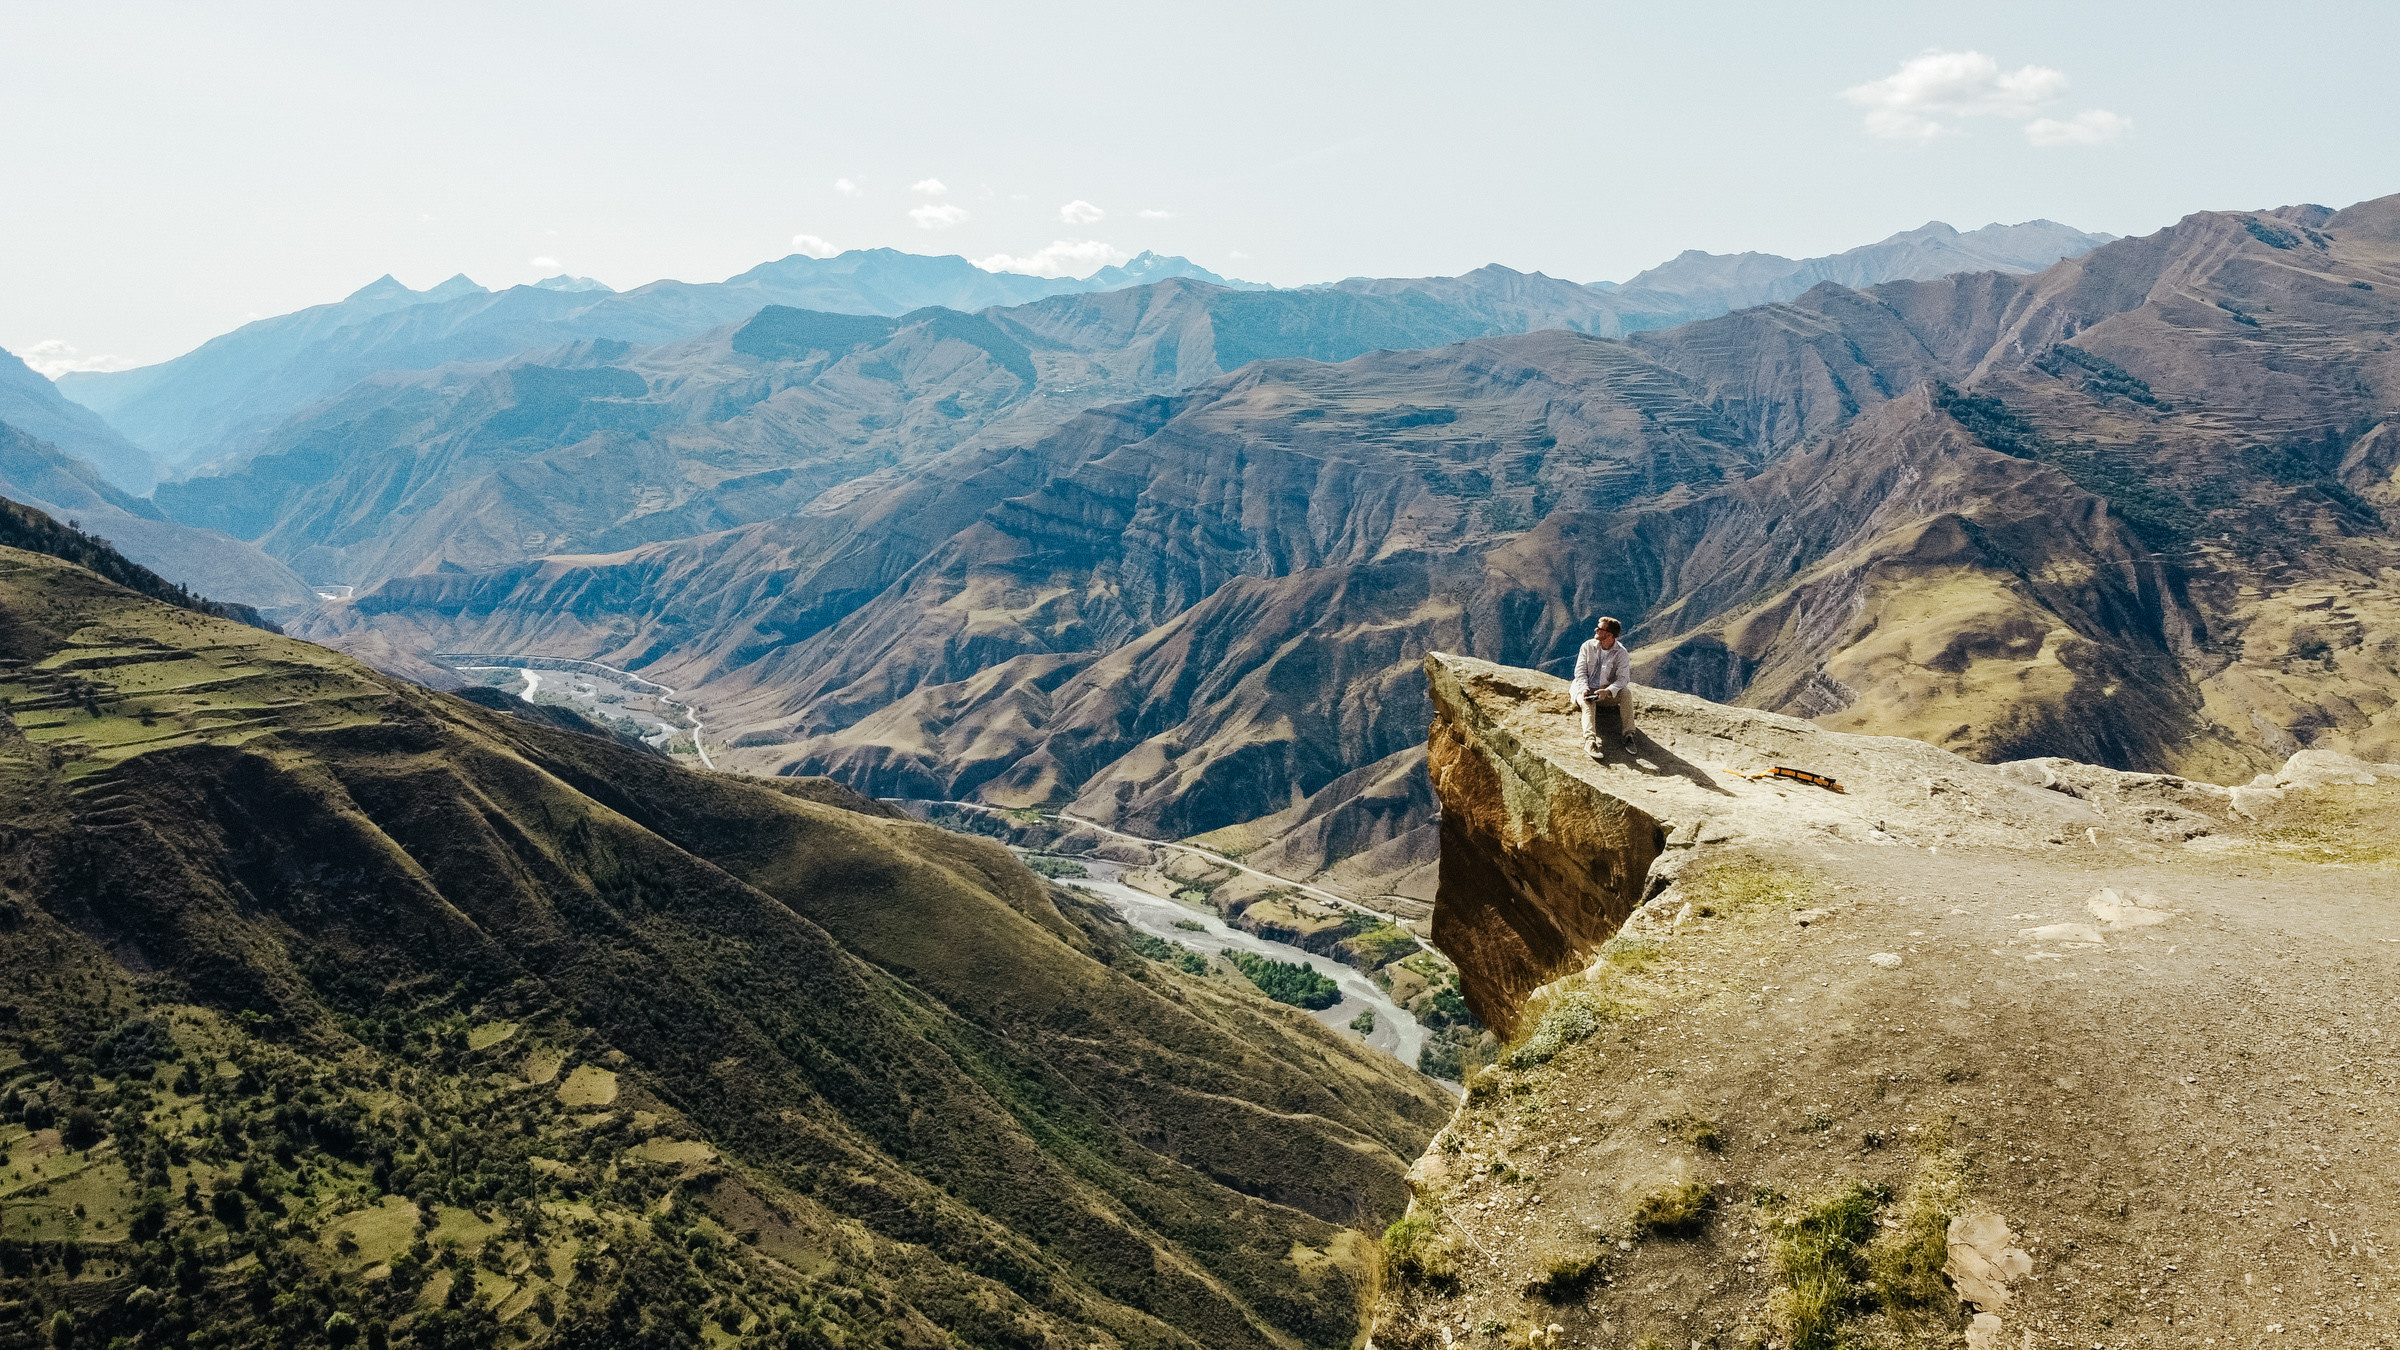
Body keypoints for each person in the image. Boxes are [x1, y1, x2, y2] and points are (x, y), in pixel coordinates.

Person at [1570, 616, 1635, 747]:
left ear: (1609, 634)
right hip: (1585, 689)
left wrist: (1608, 691)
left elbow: (1623, 679)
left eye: (1599, 628)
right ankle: (1590, 740)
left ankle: (1629, 735)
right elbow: (1580, 672)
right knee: (1588, 704)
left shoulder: (1621, 653)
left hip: (1604, 692)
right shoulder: (1587, 646)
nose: (1596, 630)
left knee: (1626, 693)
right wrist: (1584, 689)